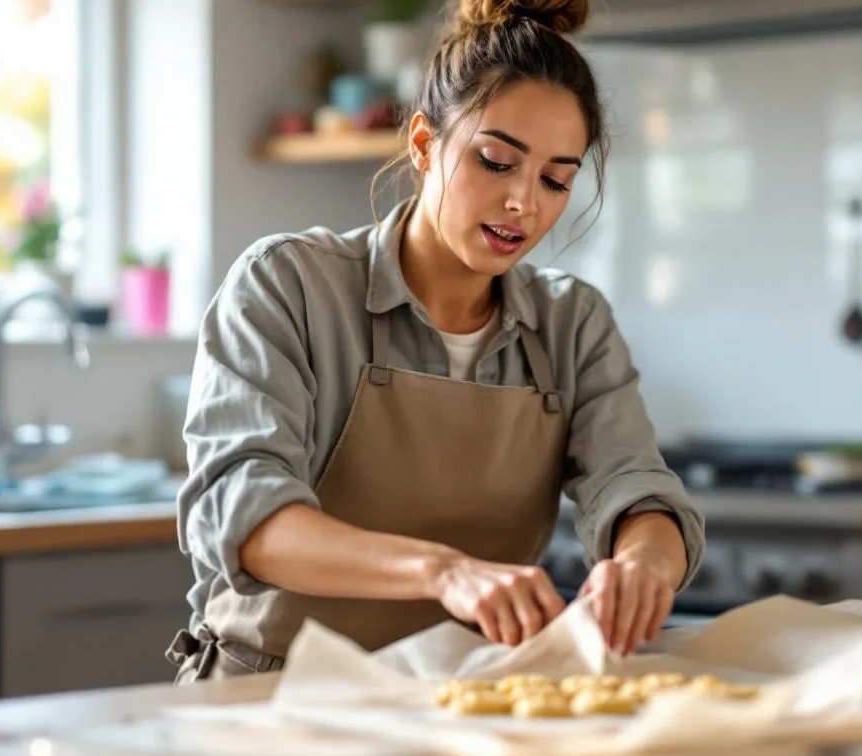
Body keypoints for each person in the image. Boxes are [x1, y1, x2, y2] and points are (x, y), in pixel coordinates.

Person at [166, 0, 705, 683]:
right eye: (496, 162)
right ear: (423, 144)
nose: (524, 203)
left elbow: (636, 486)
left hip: (464, 698)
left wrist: (642, 564)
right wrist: (443, 572)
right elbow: (244, 514)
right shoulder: (288, 285)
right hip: (271, 696)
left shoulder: (572, 322)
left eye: (555, 179)